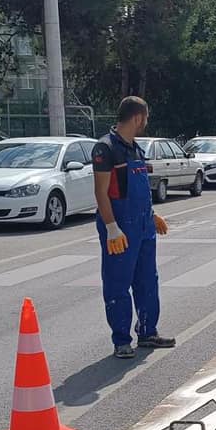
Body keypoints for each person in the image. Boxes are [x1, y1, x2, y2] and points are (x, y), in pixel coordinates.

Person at [90, 96, 174, 359]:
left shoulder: (135, 149)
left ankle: (148, 332)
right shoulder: (105, 149)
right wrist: (112, 227)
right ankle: (121, 340)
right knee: (118, 284)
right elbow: (101, 193)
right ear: (138, 117)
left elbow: (137, 191)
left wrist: (152, 214)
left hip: (143, 226)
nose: (145, 122)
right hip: (120, 227)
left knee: (148, 281)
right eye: (145, 118)